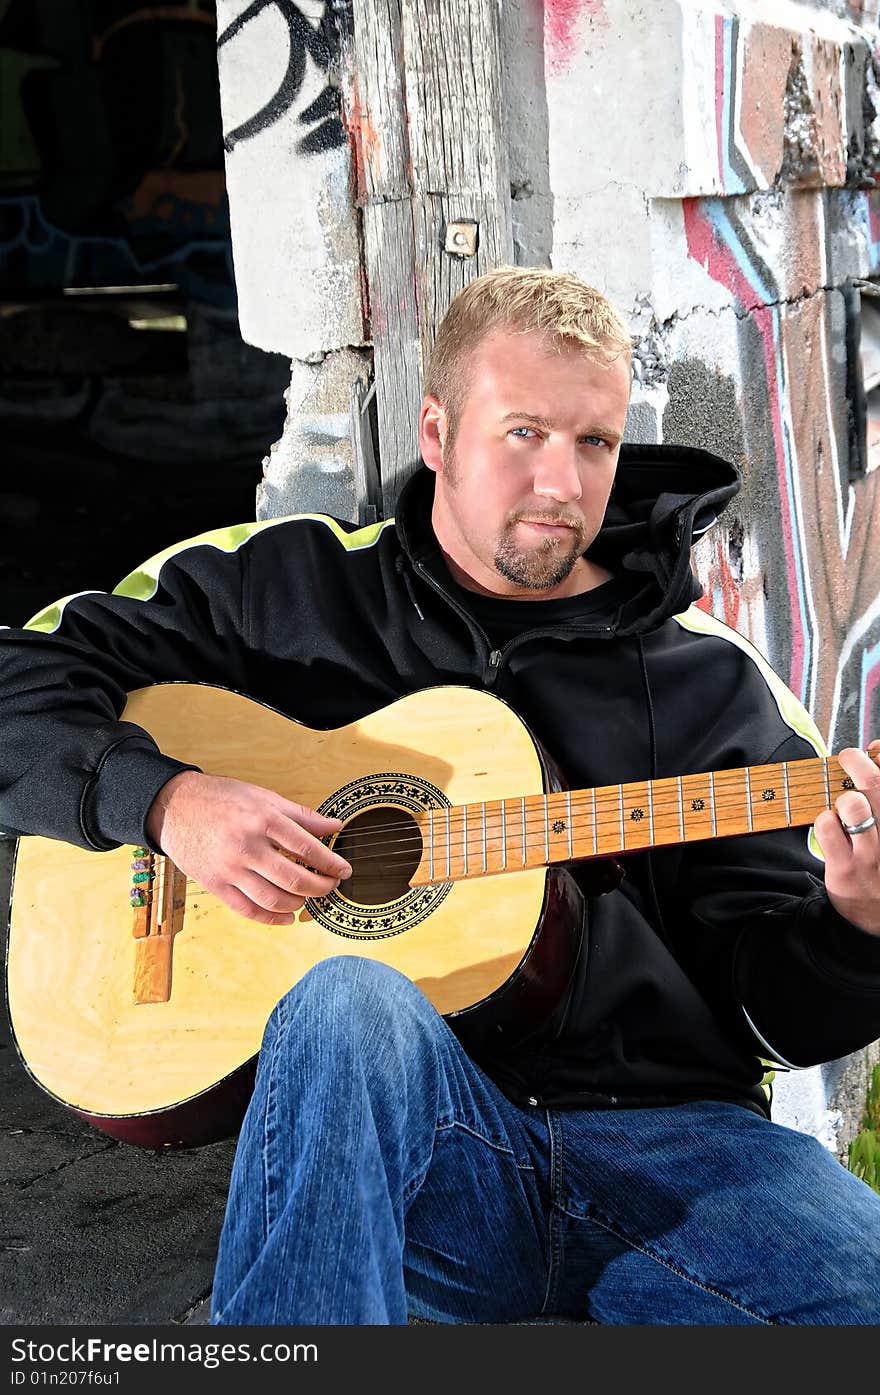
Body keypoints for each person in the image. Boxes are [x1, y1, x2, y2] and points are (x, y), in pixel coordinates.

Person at [2, 266, 880, 1326]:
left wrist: (853, 922)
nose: (562, 481)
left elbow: (775, 1009)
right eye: (524, 434)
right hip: (408, 1154)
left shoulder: (715, 685)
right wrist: (166, 800)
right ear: (435, 429)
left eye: (593, 442)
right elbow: (23, 674)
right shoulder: (285, 591)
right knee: (349, 995)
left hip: (676, 1153)